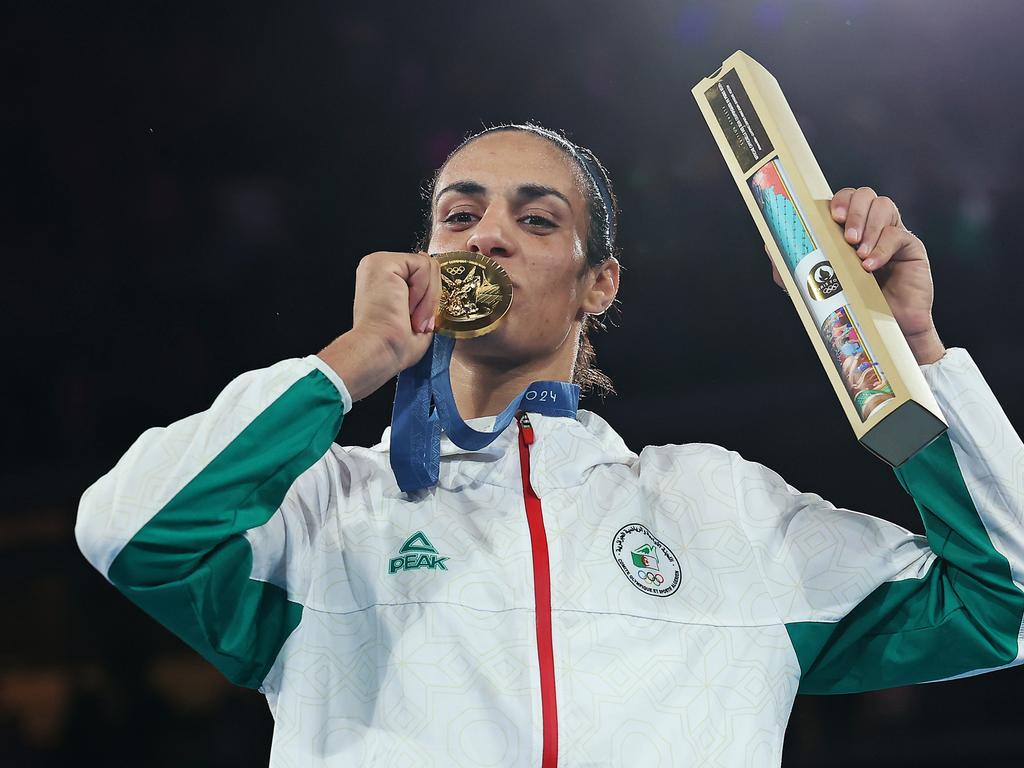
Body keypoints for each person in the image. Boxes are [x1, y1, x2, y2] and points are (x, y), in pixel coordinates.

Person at [76, 123, 1024, 767]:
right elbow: (128, 531)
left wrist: (913, 356)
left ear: (598, 284)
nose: (488, 236)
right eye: (459, 216)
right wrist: (355, 360)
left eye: (535, 219)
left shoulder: (719, 509)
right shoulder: (328, 509)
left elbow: (1005, 606)